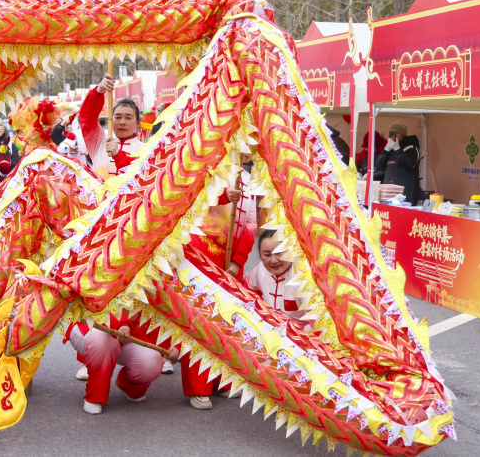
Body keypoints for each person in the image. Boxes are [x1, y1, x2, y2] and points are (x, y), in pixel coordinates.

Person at [180, 166, 259, 410]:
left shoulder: (249, 180)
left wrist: (237, 261)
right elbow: (191, 198)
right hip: (200, 253)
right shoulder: (205, 167)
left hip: (230, 261)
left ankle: (220, 380)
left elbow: (250, 225)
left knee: (226, 320)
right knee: (199, 318)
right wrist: (224, 194)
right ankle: (199, 387)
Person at [68, 309, 171, 415]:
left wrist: (175, 346)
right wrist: (122, 323)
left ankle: (128, 385)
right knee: (104, 341)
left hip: (132, 330)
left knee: (153, 361)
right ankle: (95, 395)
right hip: (92, 323)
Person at [79, 74, 143, 175]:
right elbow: (87, 118)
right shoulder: (99, 142)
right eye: (117, 117)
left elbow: (141, 176)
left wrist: (118, 155)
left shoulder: (145, 150)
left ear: (137, 123)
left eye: (128, 118)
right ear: (111, 120)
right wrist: (98, 92)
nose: (122, 122)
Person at [243, 230, 306, 321]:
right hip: (270, 326)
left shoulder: (303, 276)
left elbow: (317, 318)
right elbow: (247, 287)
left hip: (299, 329)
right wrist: (259, 310)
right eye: (267, 255)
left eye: (278, 253)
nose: (273, 260)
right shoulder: (260, 269)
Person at [373, 122, 420, 204]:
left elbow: (410, 163)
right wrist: (386, 150)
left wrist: (397, 149)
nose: (394, 135)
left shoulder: (411, 147)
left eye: (397, 132)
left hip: (405, 192)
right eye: (392, 133)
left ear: (403, 134)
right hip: (388, 192)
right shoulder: (390, 148)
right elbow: (379, 165)